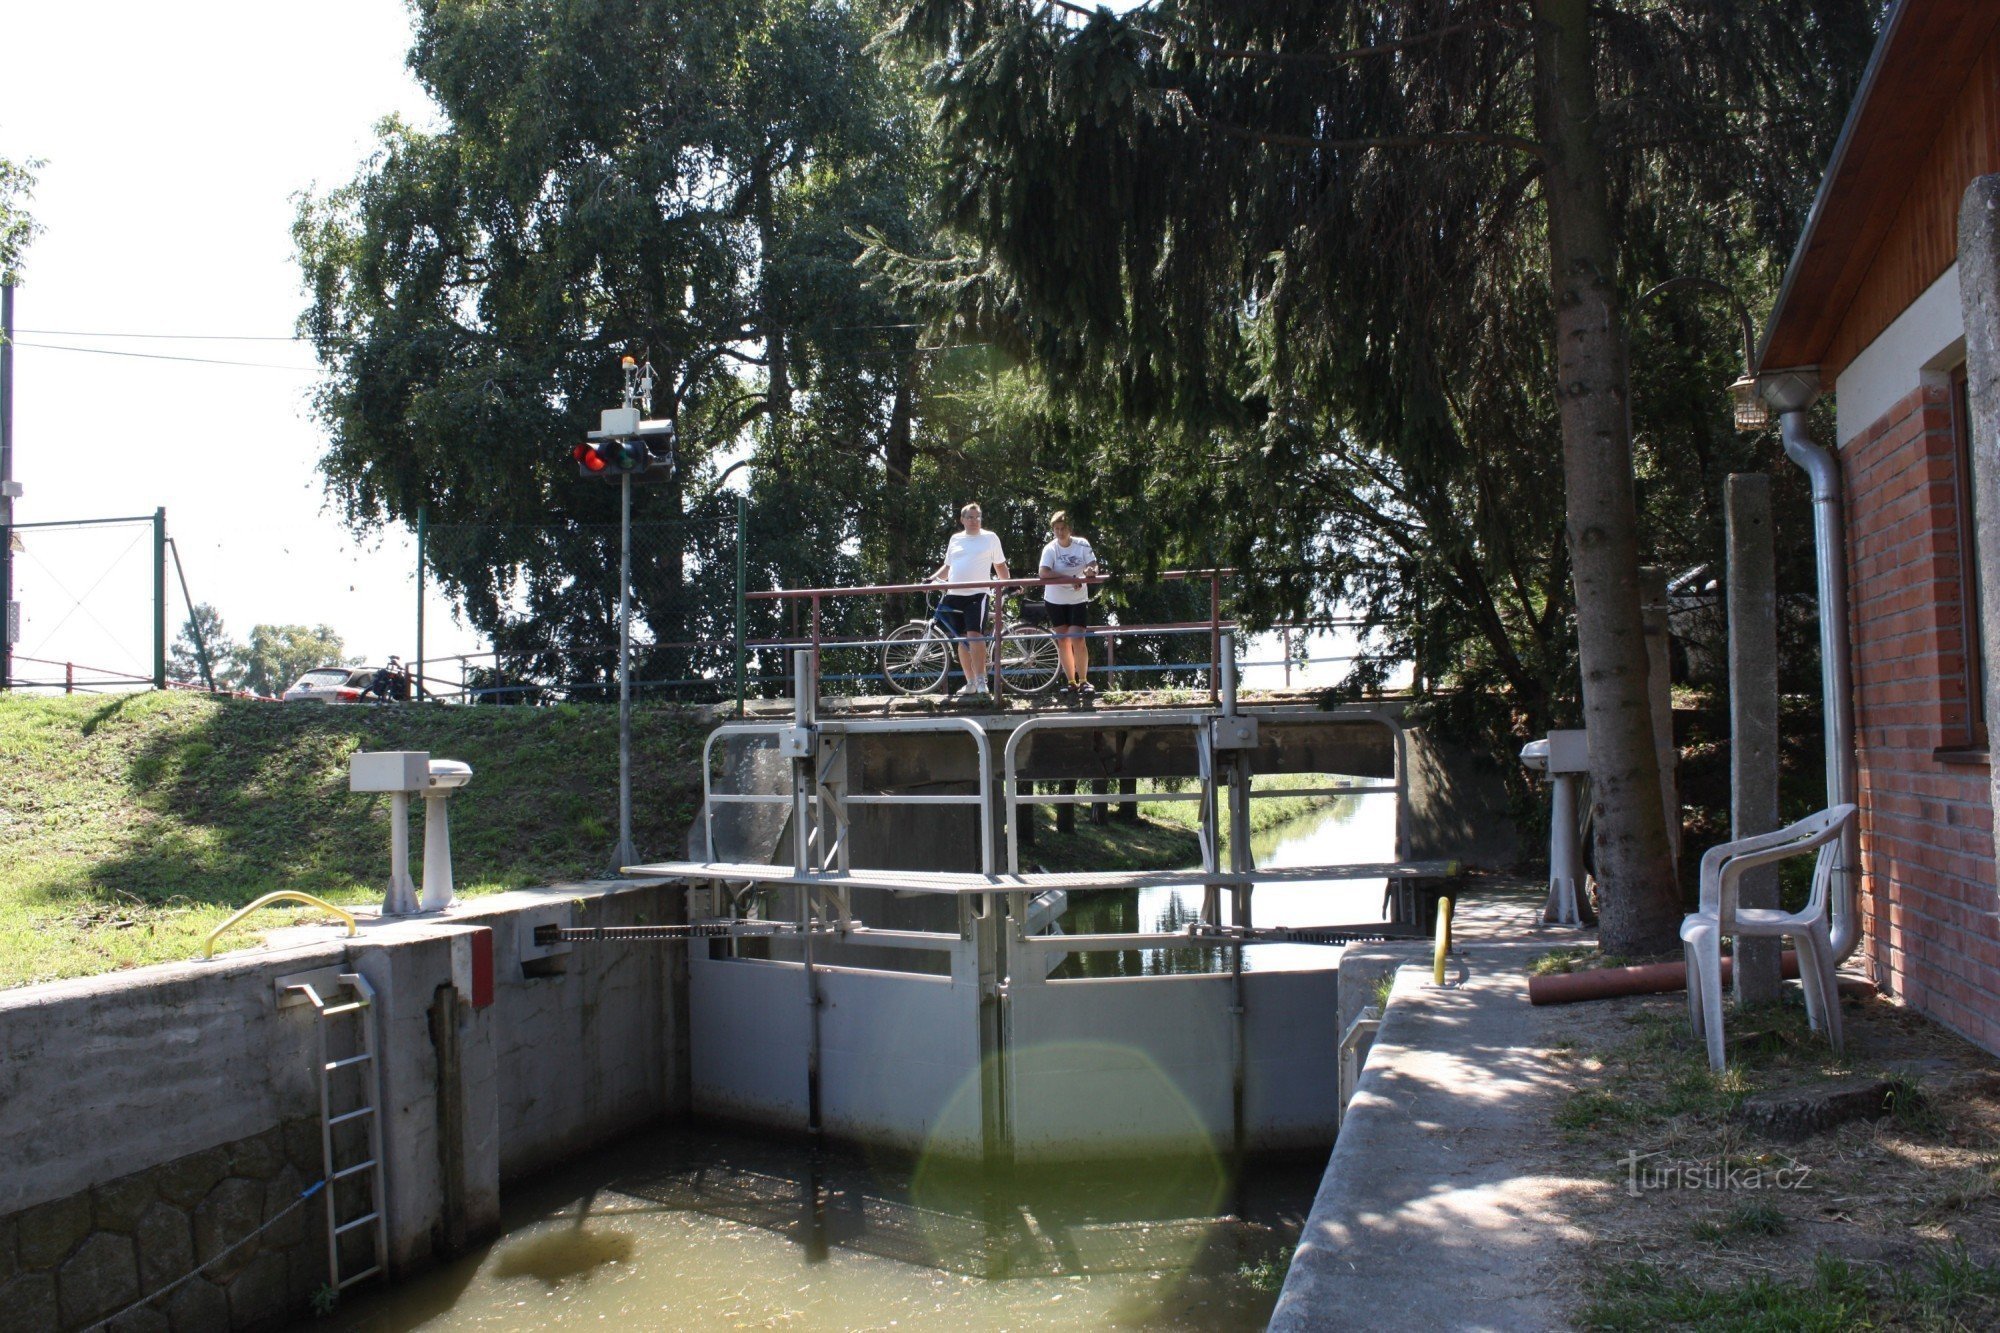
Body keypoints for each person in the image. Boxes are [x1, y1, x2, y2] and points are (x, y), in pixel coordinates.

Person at [929, 502, 1009, 697]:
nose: (975, 521)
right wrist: (931, 580)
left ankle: (982, 680)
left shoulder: (990, 538)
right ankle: (970, 681)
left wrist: (1008, 584)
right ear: (962, 520)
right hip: (954, 594)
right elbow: (947, 568)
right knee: (961, 637)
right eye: (971, 517)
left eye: (978, 517)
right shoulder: (955, 539)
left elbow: (1000, 566)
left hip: (978, 593)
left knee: (975, 635)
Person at [1037, 511, 1099, 698]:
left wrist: (1090, 571)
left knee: (1078, 638)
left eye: (1063, 528)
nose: (1060, 532)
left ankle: (1084, 681)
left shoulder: (1082, 544)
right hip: (1055, 600)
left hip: (1077, 599)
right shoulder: (1050, 549)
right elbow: (1043, 573)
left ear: (1070, 529)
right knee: (1063, 640)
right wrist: (1069, 578)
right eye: (1056, 529)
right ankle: (1071, 682)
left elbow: (1094, 565)